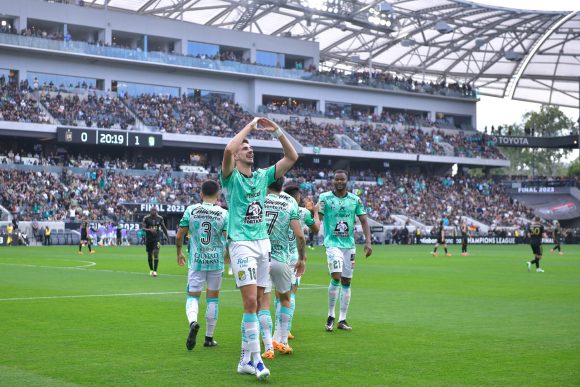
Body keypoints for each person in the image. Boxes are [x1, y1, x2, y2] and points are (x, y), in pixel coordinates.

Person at [220, 116, 298, 380]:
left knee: (257, 303)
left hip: (262, 243)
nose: (249, 149)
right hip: (241, 243)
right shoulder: (230, 178)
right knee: (251, 301)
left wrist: (275, 130)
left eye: (251, 147)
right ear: (239, 156)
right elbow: (228, 149)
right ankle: (257, 362)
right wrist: (249, 128)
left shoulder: (263, 177)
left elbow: (292, 156)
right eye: (246, 148)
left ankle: (245, 359)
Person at [317, 170, 372, 332]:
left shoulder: (355, 200)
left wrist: (368, 242)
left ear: (347, 181)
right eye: (337, 179)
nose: (339, 182)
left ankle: (342, 319)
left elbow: (364, 221)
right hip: (332, 244)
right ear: (333, 181)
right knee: (336, 276)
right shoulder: (324, 198)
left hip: (349, 245)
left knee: (347, 282)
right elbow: (318, 218)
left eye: (342, 179)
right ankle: (330, 315)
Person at [176, 180, 228, 350]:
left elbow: (179, 236)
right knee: (213, 298)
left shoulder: (192, 210)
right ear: (218, 195)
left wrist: (179, 252)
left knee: (193, 296)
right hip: (216, 261)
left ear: (201, 194)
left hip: (197, 261)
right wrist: (227, 254)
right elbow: (228, 237)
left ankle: (193, 322)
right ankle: (209, 338)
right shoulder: (223, 213)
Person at [258, 177, 306, 360]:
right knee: (286, 298)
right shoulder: (290, 202)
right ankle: (284, 341)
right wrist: (302, 258)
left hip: (261, 258)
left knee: (263, 302)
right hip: (281, 258)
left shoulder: (258, 200)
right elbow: (299, 236)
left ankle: (268, 346)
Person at [273, 183, 319, 341]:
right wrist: (316, 212)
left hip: (278, 255)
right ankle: (285, 331)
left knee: (278, 294)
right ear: (297, 196)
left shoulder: (278, 208)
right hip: (294, 257)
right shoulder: (303, 212)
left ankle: (277, 331)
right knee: (290, 294)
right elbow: (317, 229)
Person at [142, 207, 169, 277]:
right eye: (152, 210)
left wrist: (167, 236)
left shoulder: (160, 218)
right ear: (150, 211)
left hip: (157, 239)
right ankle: (151, 269)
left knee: (156, 253)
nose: (153, 212)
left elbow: (164, 228)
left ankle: (155, 271)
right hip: (149, 239)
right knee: (149, 254)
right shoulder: (146, 218)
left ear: (157, 211)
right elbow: (143, 228)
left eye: (155, 210)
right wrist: (149, 230)